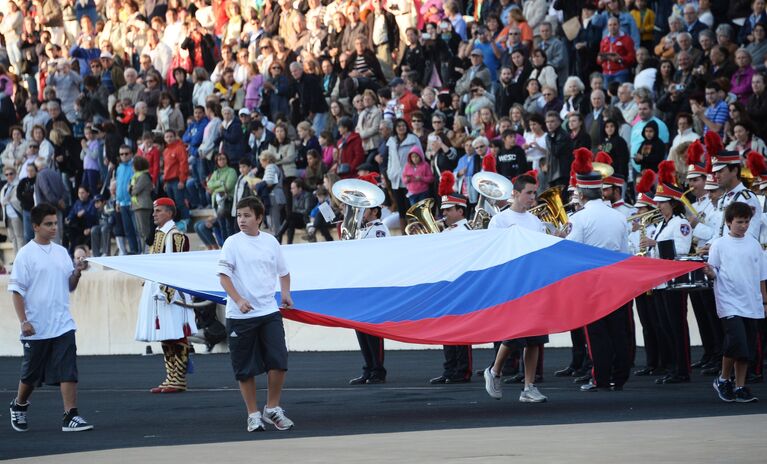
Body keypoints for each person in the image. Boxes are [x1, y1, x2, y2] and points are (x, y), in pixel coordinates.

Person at [8, 203, 93, 433]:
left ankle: (70, 415)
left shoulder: (60, 252)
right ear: (35, 226)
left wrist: (77, 272)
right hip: (36, 327)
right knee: (31, 376)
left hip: (63, 324)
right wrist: (23, 321)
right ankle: (19, 404)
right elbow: (16, 292)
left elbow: (70, 286)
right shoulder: (25, 254)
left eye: (55, 223)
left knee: (68, 369)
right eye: (48, 224)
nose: (54, 227)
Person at [217, 196, 294, 432]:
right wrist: (238, 300)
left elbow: (284, 272)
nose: (242, 219)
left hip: (268, 311)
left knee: (278, 362)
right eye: (239, 215)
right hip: (240, 316)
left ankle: (272, 408)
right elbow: (223, 276)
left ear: (259, 218)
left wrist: (286, 293)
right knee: (245, 369)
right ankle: (253, 414)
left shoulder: (271, 242)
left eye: (247, 215)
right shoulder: (231, 243)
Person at [566, 164, 631, 392]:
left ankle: (600, 378)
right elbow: (626, 252)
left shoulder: (580, 218)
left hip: (592, 279)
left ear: (582, 194)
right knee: (618, 330)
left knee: (597, 332)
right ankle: (620, 377)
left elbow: (572, 250)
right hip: (617, 276)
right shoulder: (618, 216)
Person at [484, 173, 549, 403]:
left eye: (534, 193)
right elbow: (494, 254)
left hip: (534, 284)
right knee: (514, 335)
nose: (533, 197)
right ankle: (494, 371)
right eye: (528, 193)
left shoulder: (535, 221)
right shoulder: (499, 220)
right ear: (515, 193)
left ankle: (528, 387)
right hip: (512, 284)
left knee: (536, 338)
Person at [706, 201, 767, 403]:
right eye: (739, 222)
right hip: (729, 301)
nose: (744, 226)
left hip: (751, 303)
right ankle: (723, 379)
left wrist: (764, 302)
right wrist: (709, 272)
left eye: (747, 222)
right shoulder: (720, 244)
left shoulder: (754, 244)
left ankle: (740, 386)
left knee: (747, 349)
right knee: (737, 342)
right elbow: (713, 271)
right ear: (729, 222)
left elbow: (761, 276)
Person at [134, 197, 195, 393]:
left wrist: (167, 292)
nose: (154, 214)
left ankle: (179, 379)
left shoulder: (175, 236)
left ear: (169, 213)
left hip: (171, 294)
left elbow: (176, 268)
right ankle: (171, 377)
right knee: (166, 336)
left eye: (158, 210)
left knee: (176, 335)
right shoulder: (160, 234)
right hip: (158, 292)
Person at [350, 178, 390, 384]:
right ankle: (368, 367)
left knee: (373, 329)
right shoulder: (361, 230)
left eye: (365, 208)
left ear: (374, 211)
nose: (360, 211)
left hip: (373, 285)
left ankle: (378, 369)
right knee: (360, 328)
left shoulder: (379, 229)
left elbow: (378, 255)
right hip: (360, 284)